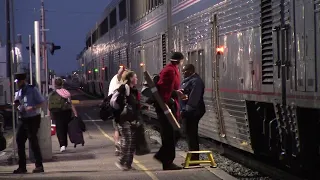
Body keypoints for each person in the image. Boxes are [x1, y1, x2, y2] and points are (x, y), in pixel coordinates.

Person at [154, 52, 185, 170]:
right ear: (178, 61)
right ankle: (166, 161)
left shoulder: (171, 69)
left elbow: (169, 88)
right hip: (166, 107)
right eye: (182, 61)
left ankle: (164, 157)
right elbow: (164, 89)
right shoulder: (170, 71)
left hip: (168, 105)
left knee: (173, 133)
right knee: (171, 134)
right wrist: (174, 96)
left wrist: (177, 93)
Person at [13, 72, 45, 174]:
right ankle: (22, 167)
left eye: (18, 82)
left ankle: (39, 165)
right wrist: (16, 106)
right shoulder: (18, 92)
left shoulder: (32, 90)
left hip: (33, 118)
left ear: (23, 81)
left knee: (33, 140)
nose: (17, 84)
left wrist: (33, 107)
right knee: (19, 140)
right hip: (23, 118)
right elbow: (17, 103)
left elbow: (42, 102)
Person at [114, 71, 140, 170]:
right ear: (130, 79)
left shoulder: (134, 90)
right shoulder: (124, 88)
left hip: (132, 119)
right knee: (127, 140)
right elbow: (117, 103)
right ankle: (121, 161)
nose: (137, 79)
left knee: (132, 142)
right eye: (135, 77)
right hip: (123, 119)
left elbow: (135, 105)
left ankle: (128, 164)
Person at [180, 64, 206, 166]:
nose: (183, 73)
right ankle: (193, 158)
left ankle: (194, 159)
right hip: (189, 111)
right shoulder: (188, 80)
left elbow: (194, 99)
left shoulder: (196, 81)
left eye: (184, 71)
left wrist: (186, 110)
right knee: (189, 133)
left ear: (190, 70)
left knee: (191, 134)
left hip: (193, 112)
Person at [48, 77, 78, 152]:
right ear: (62, 84)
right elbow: (70, 104)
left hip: (56, 113)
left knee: (59, 129)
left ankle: (62, 145)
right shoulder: (66, 92)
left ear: (55, 85)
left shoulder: (52, 94)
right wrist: (75, 113)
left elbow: (49, 106)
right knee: (65, 128)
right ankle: (65, 143)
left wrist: (49, 115)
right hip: (66, 112)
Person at [108, 66, 127, 156]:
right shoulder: (117, 79)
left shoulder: (118, 81)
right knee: (123, 128)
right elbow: (119, 74)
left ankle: (117, 147)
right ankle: (122, 146)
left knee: (116, 129)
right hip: (118, 108)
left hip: (114, 107)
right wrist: (122, 69)